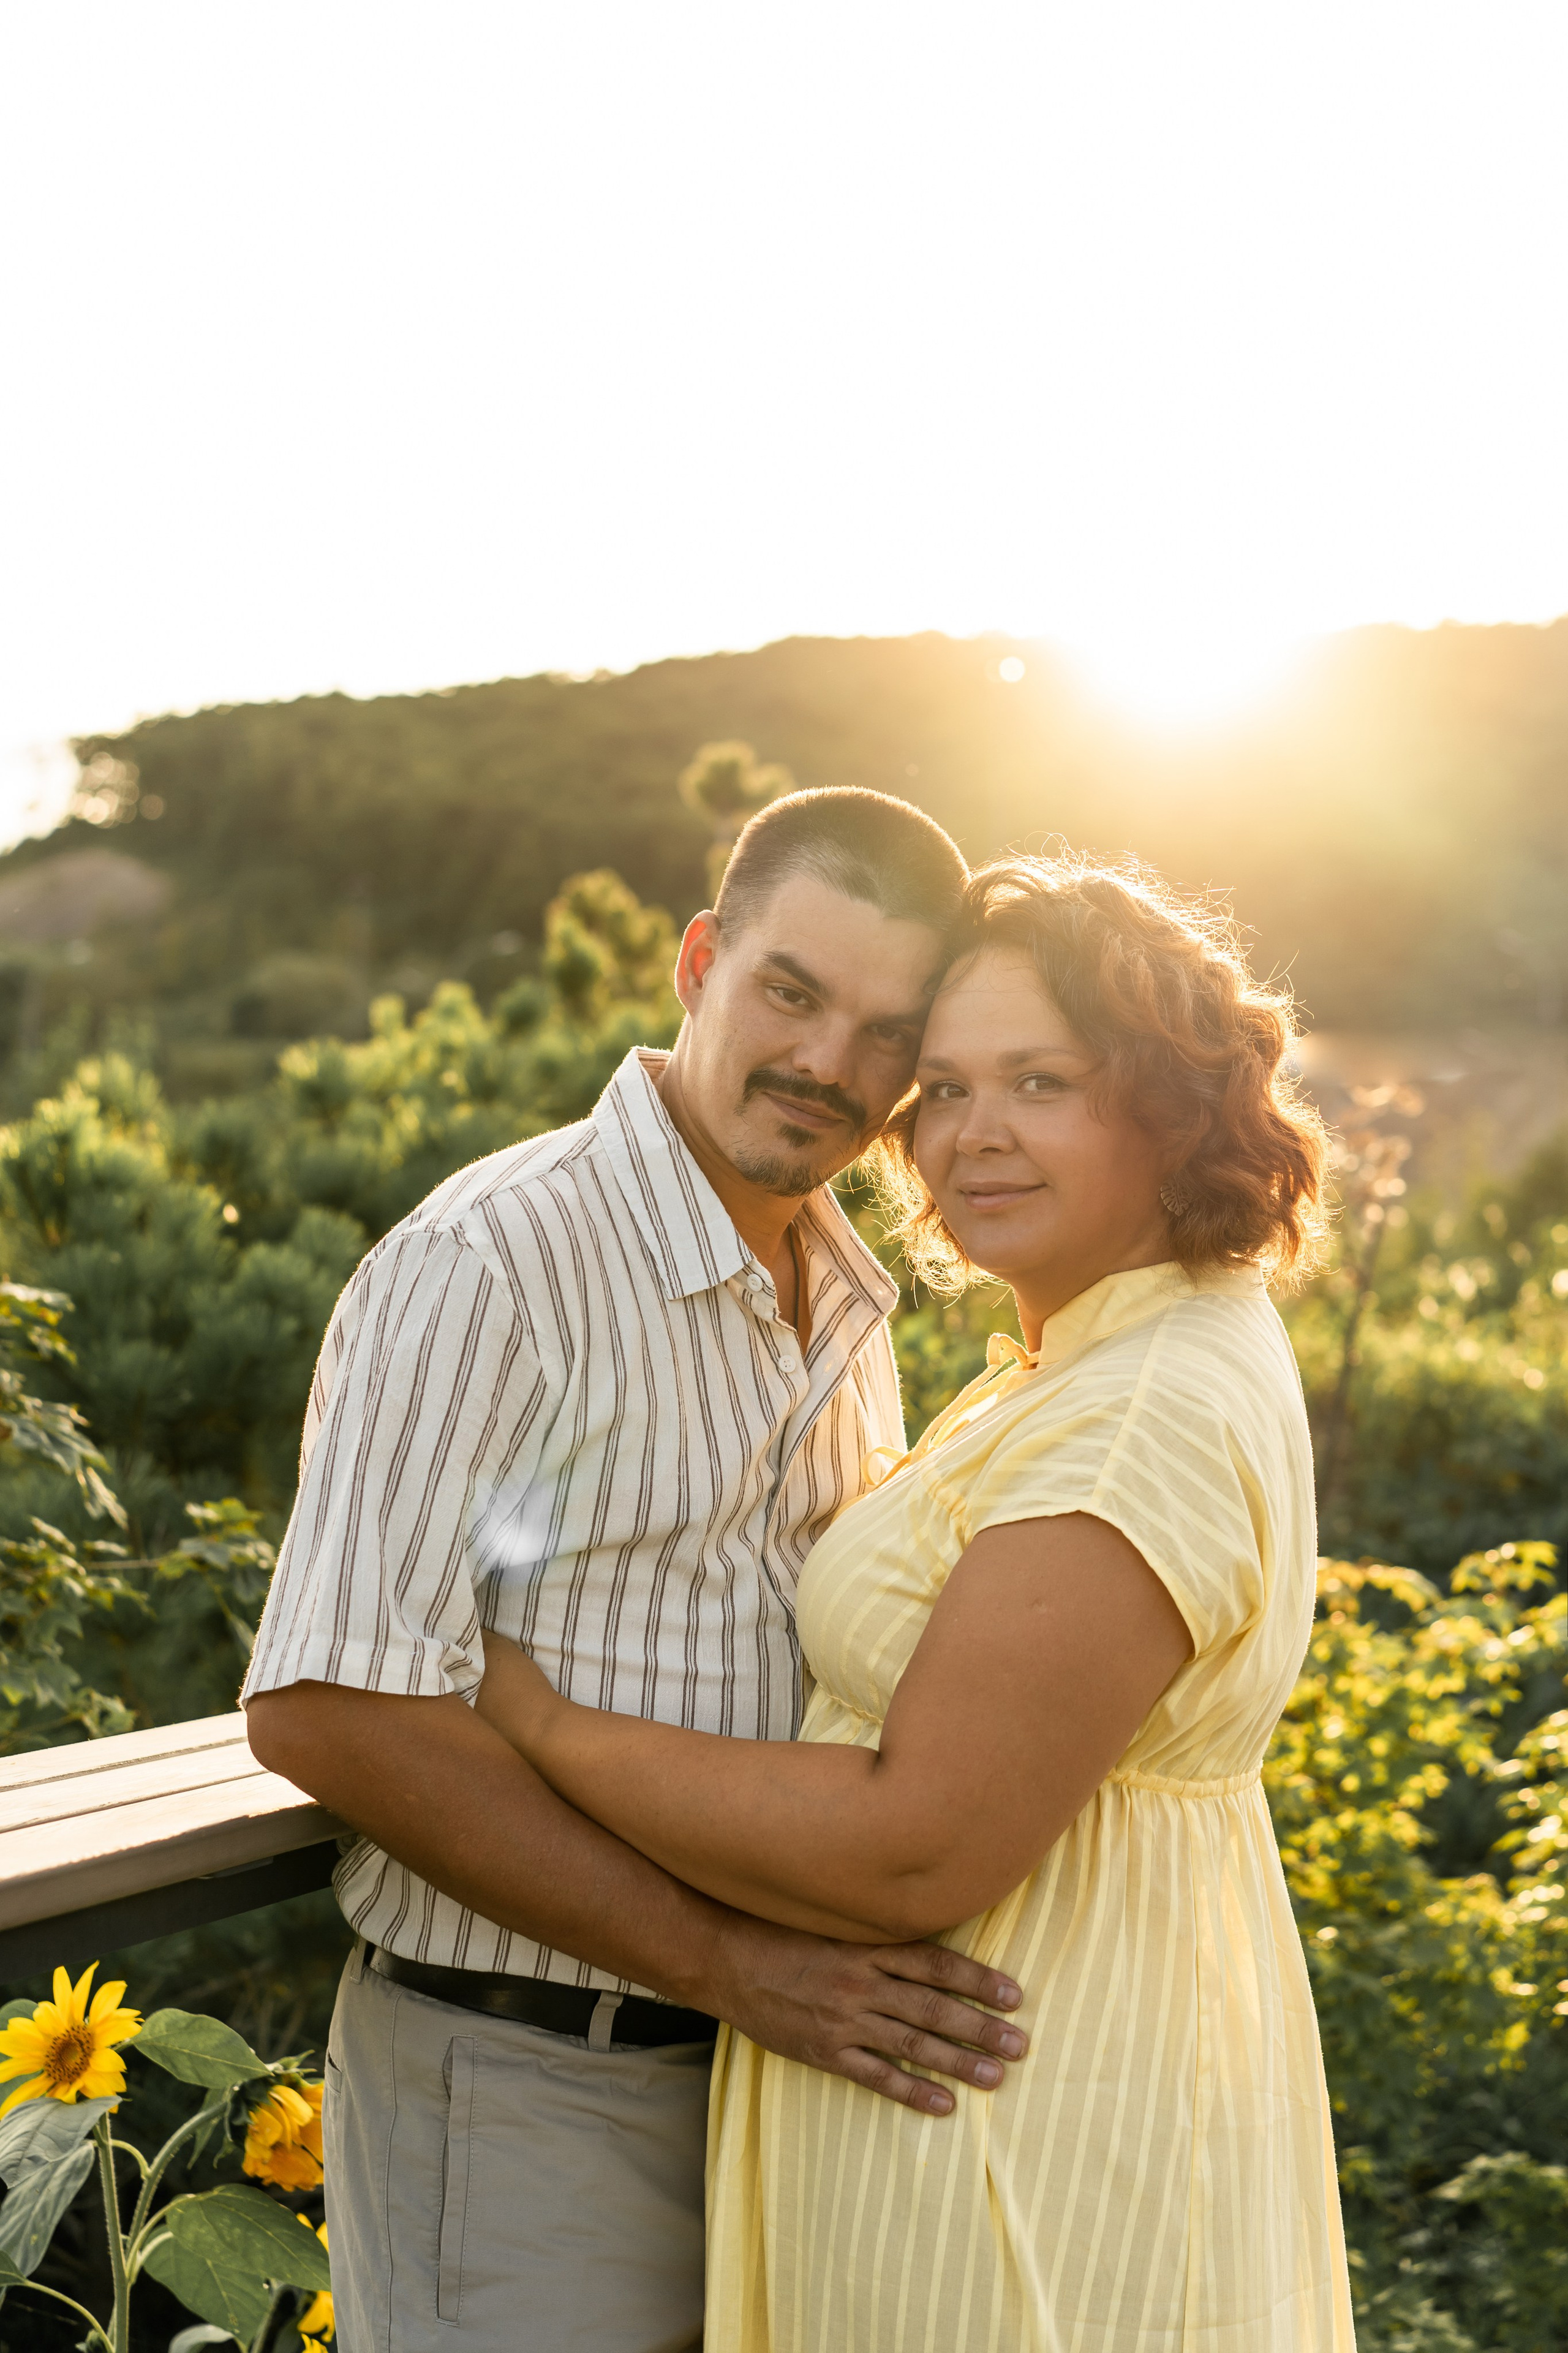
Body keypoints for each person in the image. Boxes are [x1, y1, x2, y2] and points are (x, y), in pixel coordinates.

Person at [476, 852, 1359, 2351]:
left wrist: (541, 1722)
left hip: (1003, 2162)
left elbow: (914, 1847)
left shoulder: (1138, 1405)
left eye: (1039, 1082)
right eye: (940, 1088)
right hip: (993, 2111)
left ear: (1166, 1106)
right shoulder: (1097, 1355)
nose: (971, 1134)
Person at [243, 788, 1032, 2353]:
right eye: (790, 992)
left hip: (766, 2093)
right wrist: (733, 1965)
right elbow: (328, 1706)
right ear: (697, 961)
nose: (827, 1063)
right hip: (529, 2089)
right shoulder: (493, 1261)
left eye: (885, 1034)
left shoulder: (845, 1297)